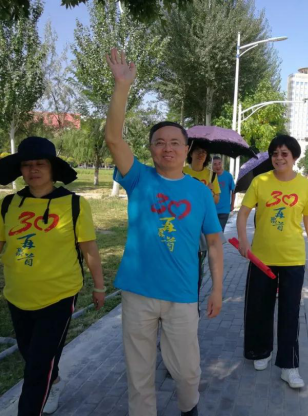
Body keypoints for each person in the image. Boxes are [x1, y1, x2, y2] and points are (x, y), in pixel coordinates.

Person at [105, 49, 223, 416]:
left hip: (182, 295)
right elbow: (113, 139)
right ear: (151, 149)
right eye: (159, 142)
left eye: (175, 143)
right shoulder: (138, 178)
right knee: (139, 374)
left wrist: (218, 288)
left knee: (186, 372)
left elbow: (215, 243)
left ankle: (189, 409)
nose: (167, 148)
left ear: (187, 150)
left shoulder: (200, 192)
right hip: (138, 292)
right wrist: (122, 86)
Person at [0, 136, 105, 416]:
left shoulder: (74, 204)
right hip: (17, 294)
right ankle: (54, 382)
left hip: (59, 295)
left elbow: (89, 249)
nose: (33, 169)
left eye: (40, 163)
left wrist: (99, 287)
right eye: (27, 164)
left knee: (37, 367)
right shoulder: (8, 204)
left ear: (52, 168)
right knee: (31, 354)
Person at [237, 135, 308, 390]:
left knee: (290, 312)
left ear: (294, 157)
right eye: (275, 153)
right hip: (261, 258)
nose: (279, 158)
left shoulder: (304, 185)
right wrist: (243, 241)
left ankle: (289, 366)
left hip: (292, 258)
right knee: (259, 308)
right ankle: (260, 351)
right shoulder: (260, 181)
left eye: (285, 153)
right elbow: (243, 213)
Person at [212, 156, 236, 232]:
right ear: (212, 166)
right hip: (212, 209)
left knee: (220, 232)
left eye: (219, 163)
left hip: (224, 210)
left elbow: (233, 191)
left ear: (222, 164)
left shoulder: (228, 176)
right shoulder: (210, 177)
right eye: (215, 164)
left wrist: (232, 204)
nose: (217, 166)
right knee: (212, 232)